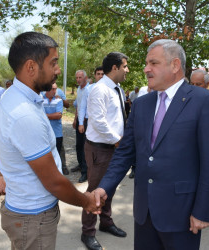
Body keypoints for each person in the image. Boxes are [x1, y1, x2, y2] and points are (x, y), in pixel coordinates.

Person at [93, 39, 209, 250]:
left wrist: (204, 210)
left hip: (182, 213)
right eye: (147, 63)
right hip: (144, 212)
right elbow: (125, 153)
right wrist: (105, 187)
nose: (146, 69)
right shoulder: (141, 104)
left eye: (153, 63)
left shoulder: (204, 101)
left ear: (175, 65)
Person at [0, 32, 101, 250]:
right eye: (54, 63)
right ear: (31, 67)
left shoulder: (12, 96)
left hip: (25, 213)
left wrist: (2, 174)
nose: (58, 70)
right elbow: (53, 182)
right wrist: (86, 201)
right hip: (34, 219)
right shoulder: (24, 114)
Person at [81, 53, 129, 250]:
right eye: (125, 66)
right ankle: (87, 232)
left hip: (113, 147)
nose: (127, 70)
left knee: (109, 188)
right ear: (115, 67)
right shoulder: (100, 89)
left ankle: (106, 223)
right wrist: (118, 141)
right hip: (101, 149)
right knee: (95, 192)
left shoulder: (117, 88)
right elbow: (98, 121)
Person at [43, 83, 68, 175]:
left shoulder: (58, 100)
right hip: (44, 133)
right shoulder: (41, 99)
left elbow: (58, 115)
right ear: (47, 89)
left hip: (57, 133)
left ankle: (58, 173)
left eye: (55, 89)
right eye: (52, 89)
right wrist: (50, 116)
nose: (55, 91)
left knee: (57, 154)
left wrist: (44, 116)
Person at [72, 70, 89, 183]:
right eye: (77, 77)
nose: (78, 79)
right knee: (78, 145)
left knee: (84, 147)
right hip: (80, 120)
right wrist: (75, 119)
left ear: (85, 78)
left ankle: (85, 172)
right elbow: (79, 106)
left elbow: (85, 107)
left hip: (86, 121)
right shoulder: (79, 89)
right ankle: (80, 164)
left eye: (80, 77)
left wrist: (82, 123)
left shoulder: (89, 89)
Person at [78, 66, 104, 134]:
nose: (100, 76)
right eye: (98, 74)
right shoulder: (88, 89)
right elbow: (82, 107)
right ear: (95, 76)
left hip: (103, 122)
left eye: (102, 74)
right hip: (89, 122)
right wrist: (81, 123)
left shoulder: (110, 89)